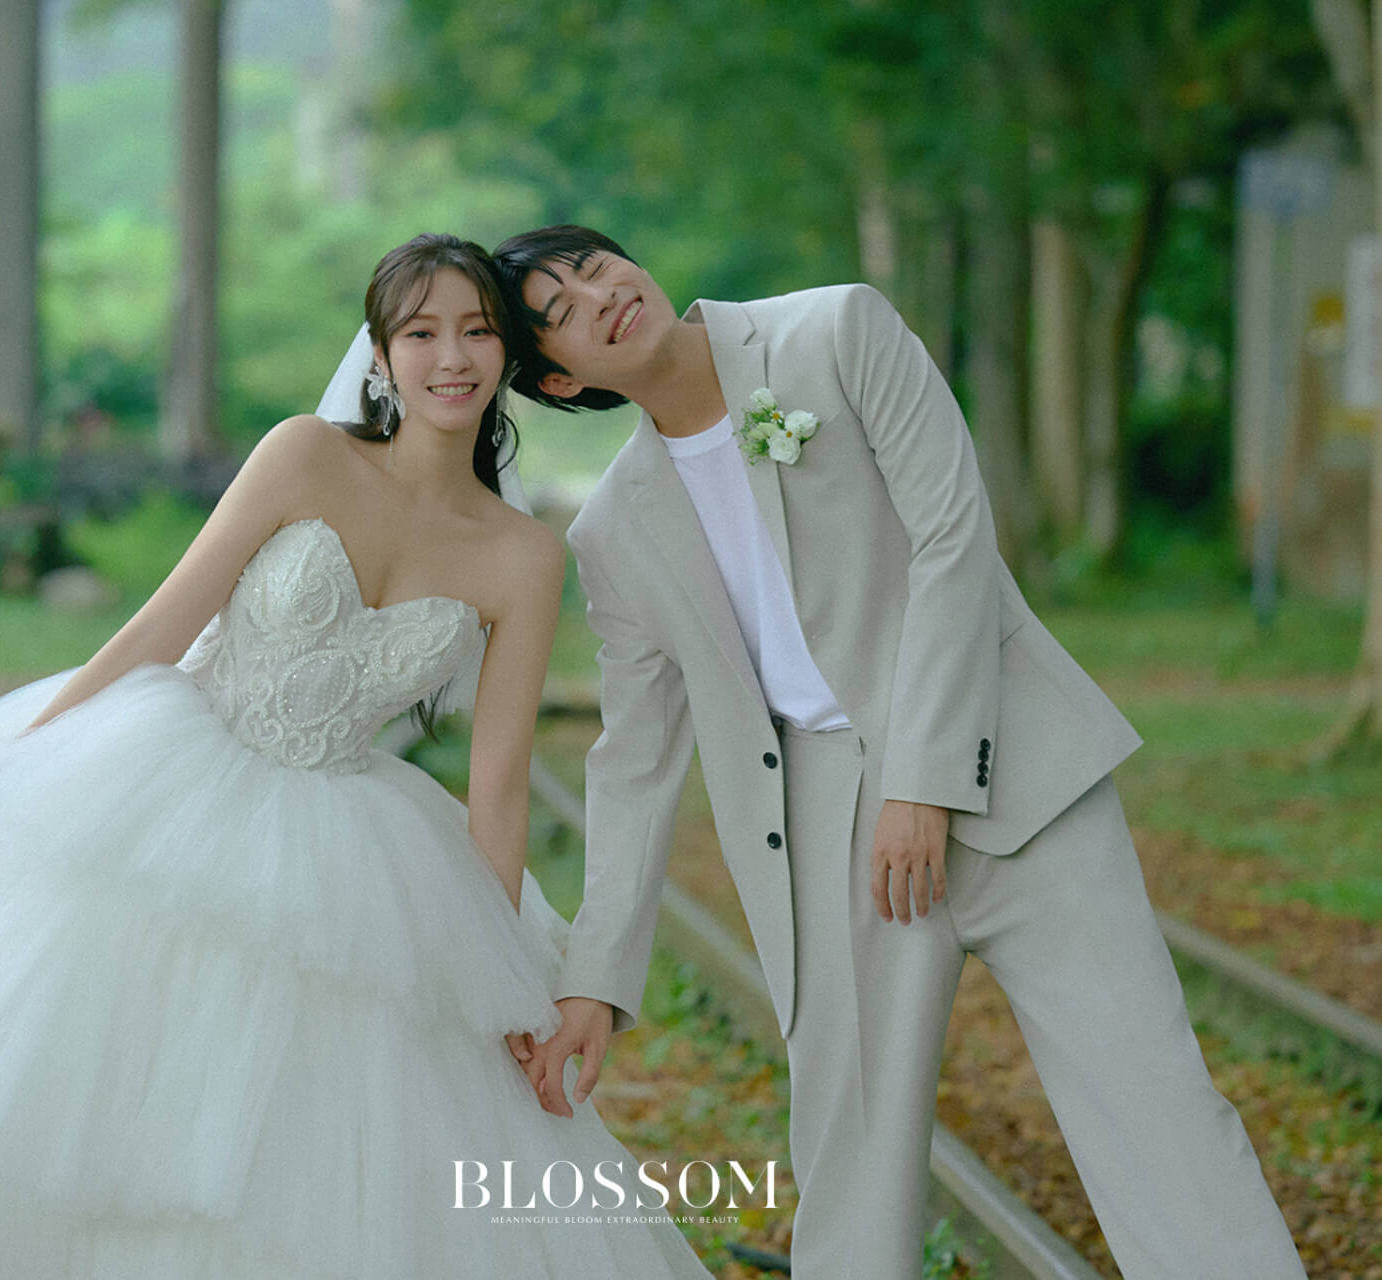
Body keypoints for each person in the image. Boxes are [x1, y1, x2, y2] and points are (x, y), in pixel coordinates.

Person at [0, 234, 715, 1280]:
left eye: (477, 331)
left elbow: (497, 790)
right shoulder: (305, 452)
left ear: (509, 357)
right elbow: (159, 627)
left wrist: (496, 984)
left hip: (354, 858)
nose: (452, 356)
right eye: (421, 332)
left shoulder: (523, 555)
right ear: (382, 357)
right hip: (168, 789)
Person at [493, 225, 1308, 1280]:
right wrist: (596, 980)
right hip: (826, 846)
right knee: (854, 1175)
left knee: (1157, 1107)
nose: (598, 295)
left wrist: (923, 782)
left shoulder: (837, 331)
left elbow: (953, 539)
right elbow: (634, 759)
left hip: (1015, 776)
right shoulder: (614, 529)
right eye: (560, 311)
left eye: (595, 266)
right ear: (561, 380)